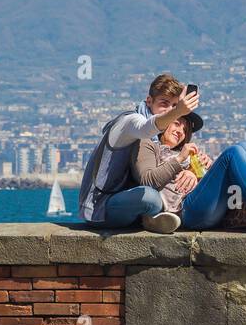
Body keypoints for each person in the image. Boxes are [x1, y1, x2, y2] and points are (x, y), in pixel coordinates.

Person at [132, 108, 246, 235]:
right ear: (164, 124)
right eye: (177, 124)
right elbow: (150, 179)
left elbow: (209, 184)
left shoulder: (188, 154)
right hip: (186, 211)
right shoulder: (155, 149)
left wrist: (207, 168)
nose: (180, 131)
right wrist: (182, 161)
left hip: (209, 206)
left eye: (185, 129)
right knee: (233, 153)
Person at [78, 74, 199, 234]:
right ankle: (152, 216)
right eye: (165, 104)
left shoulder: (158, 140)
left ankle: (152, 219)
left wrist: (190, 171)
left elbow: (160, 167)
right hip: (99, 207)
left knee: (152, 197)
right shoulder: (130, 122)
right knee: (149, 197)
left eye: (175, 106)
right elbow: (146, 128)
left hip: (124, 202)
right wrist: (178, 111)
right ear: (149, 101)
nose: (171, 111)